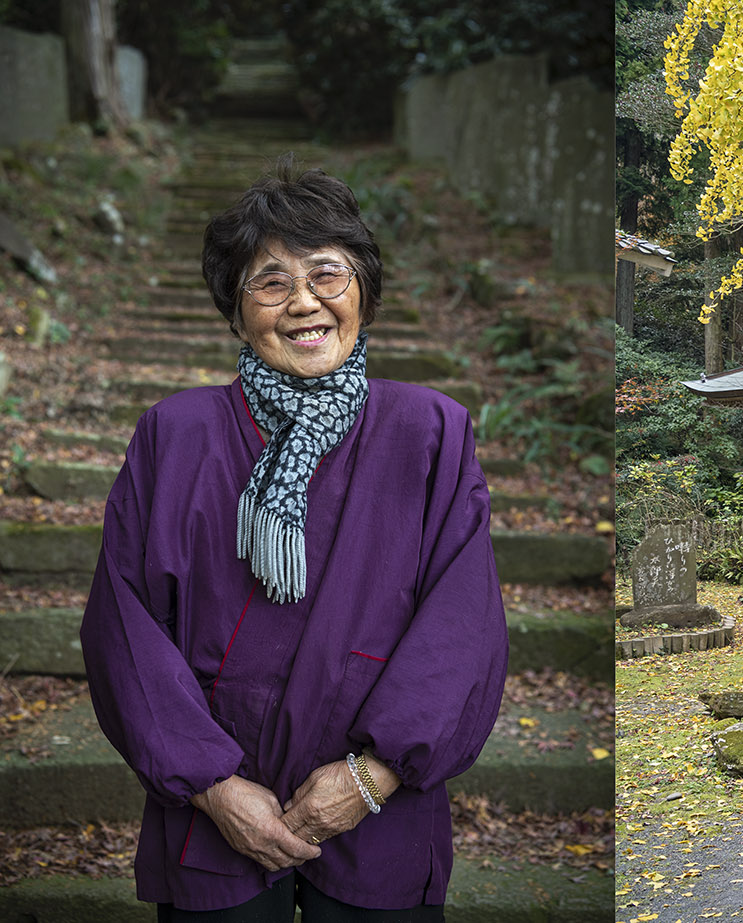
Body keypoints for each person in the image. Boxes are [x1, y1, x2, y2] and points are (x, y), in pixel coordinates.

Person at [79, 159, 508, 920]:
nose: (303, 301)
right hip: (215, 813)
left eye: (327, 275)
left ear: (364, 295)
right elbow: (123, 627)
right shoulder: (173, 436)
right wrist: (212, 784)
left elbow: (462, 626)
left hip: (379, 808)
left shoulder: (430, 431)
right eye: (271, 282)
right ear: (237, 311)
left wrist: (373, 776)